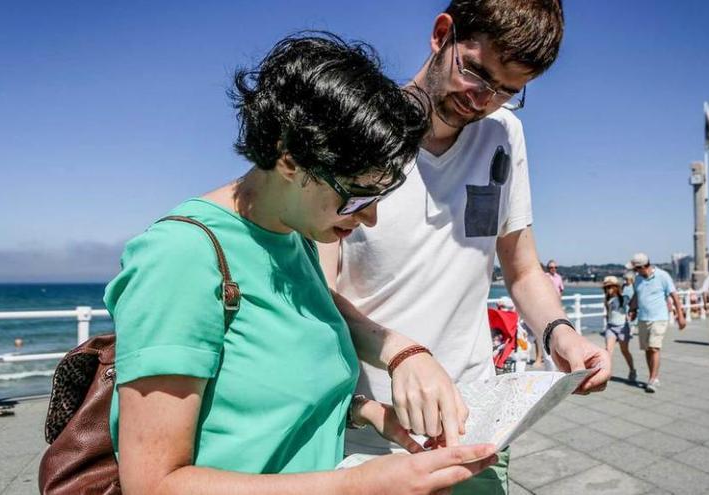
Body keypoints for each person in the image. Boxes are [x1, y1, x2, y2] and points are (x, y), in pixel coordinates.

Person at [108, 34, 497, 495]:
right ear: (290, 161)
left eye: (381, 197)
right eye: (358, 195)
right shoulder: (179, 258)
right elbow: (154, 484)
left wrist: (363, 408)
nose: (369, 217)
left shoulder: (295, 235)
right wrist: (356, 486)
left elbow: (257, 392)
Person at [318, 2, 611, 493]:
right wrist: (402, 352)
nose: (482, 100)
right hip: (368, 426)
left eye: (507, 91)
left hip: (477, 422)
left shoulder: (503, 134)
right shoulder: (357, 127)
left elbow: (521, 270)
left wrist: (561, 334)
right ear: (441, 35)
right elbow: (317, 289)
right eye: (476, 72)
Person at [626, 253, 686, 393]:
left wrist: (680, 316)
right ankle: (652, 376)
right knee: (647, 349)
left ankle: (653, 379)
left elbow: (674, 296)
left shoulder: (663, 276)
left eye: (635, 268)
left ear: (641, 267)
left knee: (654, 348)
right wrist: (633, 309)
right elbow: (637, 295)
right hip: (643, 318)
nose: (634, 271)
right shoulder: (638, 279)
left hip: (659, 318)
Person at [602, 276, 635, 382]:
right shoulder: (607, 299)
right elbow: (608, 314)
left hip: (622, 327)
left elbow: (633, 300)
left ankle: (632, 370)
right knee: (608, 351)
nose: (608, 289)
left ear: (616, 287)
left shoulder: (623, 298)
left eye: (610, 287)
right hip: (611, 327)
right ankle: (607, 373)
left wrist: (632, 314)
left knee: (624, 350)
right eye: (606, 287)